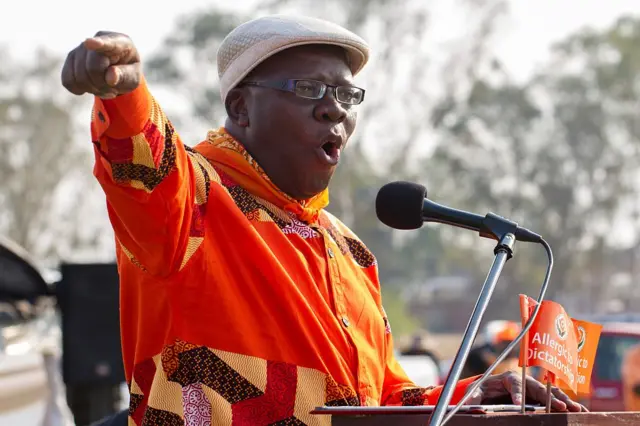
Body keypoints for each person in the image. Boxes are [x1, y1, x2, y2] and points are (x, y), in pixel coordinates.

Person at [61, 15, 584, 425]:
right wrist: (124, 92)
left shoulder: (349, 250)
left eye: (347, 95)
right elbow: (143, 166)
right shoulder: (192, 201)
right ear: (240, 108)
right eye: (309, 90)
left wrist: (476, 394)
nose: (335, 110)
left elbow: (379, 402)